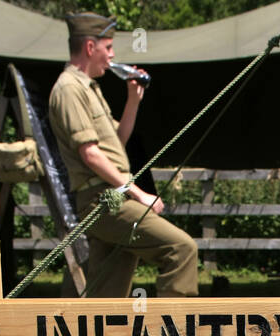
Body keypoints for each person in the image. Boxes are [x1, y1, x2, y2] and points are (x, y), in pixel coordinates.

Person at [48, 11, 198, 297]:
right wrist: (138, 194)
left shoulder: (89, 88)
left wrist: (133, 101)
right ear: (90, 48)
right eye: (108, 48)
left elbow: (116, 142)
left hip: (110, 197)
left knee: (108, 293)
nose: (112, 55)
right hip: (104, 201)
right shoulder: (69, 89)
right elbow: (90, 154)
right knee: (181, 249)